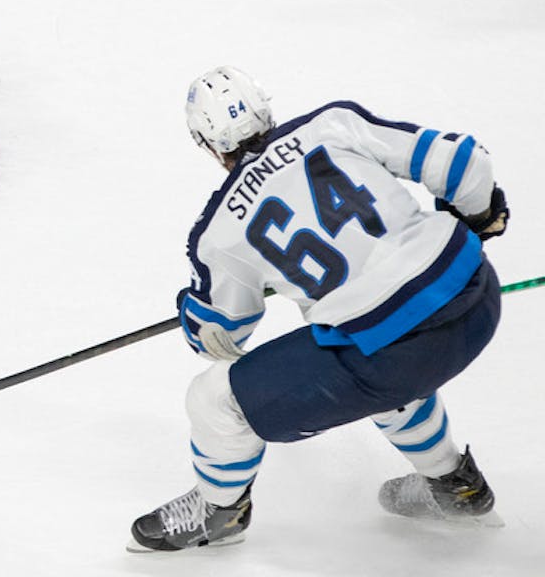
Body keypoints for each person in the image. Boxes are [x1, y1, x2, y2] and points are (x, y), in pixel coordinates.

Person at [128, 66, 509, 553]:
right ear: (266, 107)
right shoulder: (332, 124)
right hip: (476, 296)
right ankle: (456, 486)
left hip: (390, 356)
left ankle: (217, 512)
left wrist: (193, 312)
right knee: (369, 348)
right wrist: (476, 215)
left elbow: (221, 336)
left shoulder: (220, 232)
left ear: (206, 144)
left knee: (215, 400)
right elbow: (464, 165)